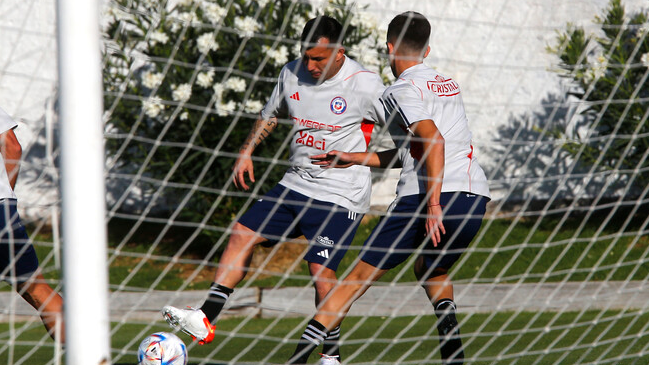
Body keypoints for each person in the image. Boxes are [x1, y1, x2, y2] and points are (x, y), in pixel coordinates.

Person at [162, 15, 385, 364]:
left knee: (320, 273)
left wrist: (359, 157)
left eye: (319, 59)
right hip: (296, 183)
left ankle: (330, 357)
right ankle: (205, 319)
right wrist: (247, 150)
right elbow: (271, 114)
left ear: (340, 52)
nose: (309, 65)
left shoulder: (367, 85)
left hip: (341, 193)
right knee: (241, 232)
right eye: (306, 56)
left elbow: (406, 136)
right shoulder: (291, 72)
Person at [287, 11, 490, 365]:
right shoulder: (447, 84)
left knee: (353, 281)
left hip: (424, 199)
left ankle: (299, 359)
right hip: (474, 198)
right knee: (431, 269)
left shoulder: (401, 88)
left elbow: (433, 141)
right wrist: (354, 157)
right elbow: (411, 152)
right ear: (427, 51)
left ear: (389, 48)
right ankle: (453, 353)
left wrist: (433, 205)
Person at [0, 107, 65, 342]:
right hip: (1, 210)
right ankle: (87, 356)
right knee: (38, 291)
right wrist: (6, 194)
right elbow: (13, 147)